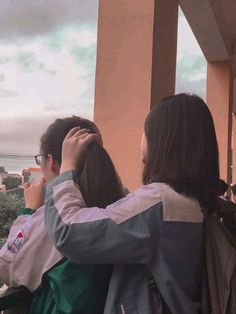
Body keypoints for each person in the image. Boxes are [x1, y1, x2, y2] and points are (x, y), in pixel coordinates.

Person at [42, 93, 220, 314]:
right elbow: (127, 213)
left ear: (163, 138)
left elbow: (67, 231)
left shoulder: (158, 204)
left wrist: (67, 168)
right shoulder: (196, 203)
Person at [0, 116, 124, 314]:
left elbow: (7, 265)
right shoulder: (121, 205)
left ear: (52, 162)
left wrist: (29, 211)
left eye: (41, 158)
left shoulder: (53, 218)